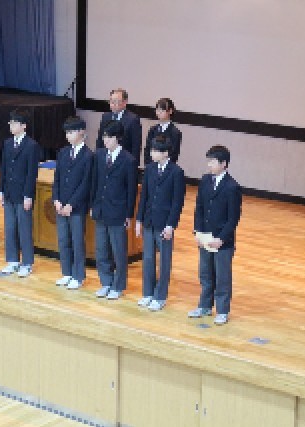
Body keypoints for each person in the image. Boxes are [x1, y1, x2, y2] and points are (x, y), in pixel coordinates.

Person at [189, 145, 242, 325]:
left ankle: (222, 310)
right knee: (205, 274)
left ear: (224, 163)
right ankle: (204, 305)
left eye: (212, 161)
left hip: (222, 241)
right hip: (205, 236)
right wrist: (197, 230)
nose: (209, 165)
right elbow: (199, 208)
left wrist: (221, 238)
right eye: (209, 161)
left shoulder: (232, 187)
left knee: (222, 277)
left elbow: (233, 218)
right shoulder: (205, 180)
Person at [135, 135, 185, 311]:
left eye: (155, 150)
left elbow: (177, 202)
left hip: (164, 223)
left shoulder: (176, 172)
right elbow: (144, 196)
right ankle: (147, 293)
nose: (152, 153)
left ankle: (160, 296)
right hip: (149, 220)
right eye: (152, 150)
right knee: (148, 259)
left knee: (164, 261)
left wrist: (171, 225)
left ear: (165, 153)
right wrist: (139, 220)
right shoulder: (149, 169)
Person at [91, 120, 137, 300]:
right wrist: (93, 205)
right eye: (104, 137)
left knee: (118, 251)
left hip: (118, 212)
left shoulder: (128, 160)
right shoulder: (99, 155)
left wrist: (128, 214)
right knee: (101, 250)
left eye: (109, 137)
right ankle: (106, 283)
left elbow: (131, 190)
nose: (106, 140)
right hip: (101, 209)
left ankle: (118, 286)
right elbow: (95, 182)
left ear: (118, 138)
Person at [52, 116, 94, 290]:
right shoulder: (63, 152)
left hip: (76, 207)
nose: (68, 136)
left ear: (81, 132)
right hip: (61, 205)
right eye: (67, 132)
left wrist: (71, 204)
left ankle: (78, 275)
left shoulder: (88, 155)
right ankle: (67, 273)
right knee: (63, 240)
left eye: (71, 132)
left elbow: (86, 183)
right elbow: (57, 178)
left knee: (77, 241)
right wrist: (56, 199)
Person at [0, 109, 40, 277]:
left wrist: (28, 195)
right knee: (10, 228)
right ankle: (12, 261)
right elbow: (3, 168)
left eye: (15, 123)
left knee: (24, 229)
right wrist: (0, 189)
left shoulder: (31, 145)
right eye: (11, 123)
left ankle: (27, 263)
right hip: (9, 191)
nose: (11, 126)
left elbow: (31, 173)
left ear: (23, 126)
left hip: (23, 194)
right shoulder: (7, 143)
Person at [95, 88, 142, 169]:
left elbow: (136, 145)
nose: (113, 104)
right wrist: (97, 157)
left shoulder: (133, 119)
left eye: (117, 101)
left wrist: (133, 165)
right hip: (106, 159)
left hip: (123, 162)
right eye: (111, 101)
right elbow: (100, 139)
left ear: (125, 102)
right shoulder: (105, 116)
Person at [143, 98, 182, 166]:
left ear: (170, 111)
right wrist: (148, 166)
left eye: (162, 110)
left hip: (166, 168)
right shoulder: (153, 130)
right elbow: (147, 150)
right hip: (151, 167)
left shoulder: (175, 132)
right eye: (157, 110)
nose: (159, 113)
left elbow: (174, 155)